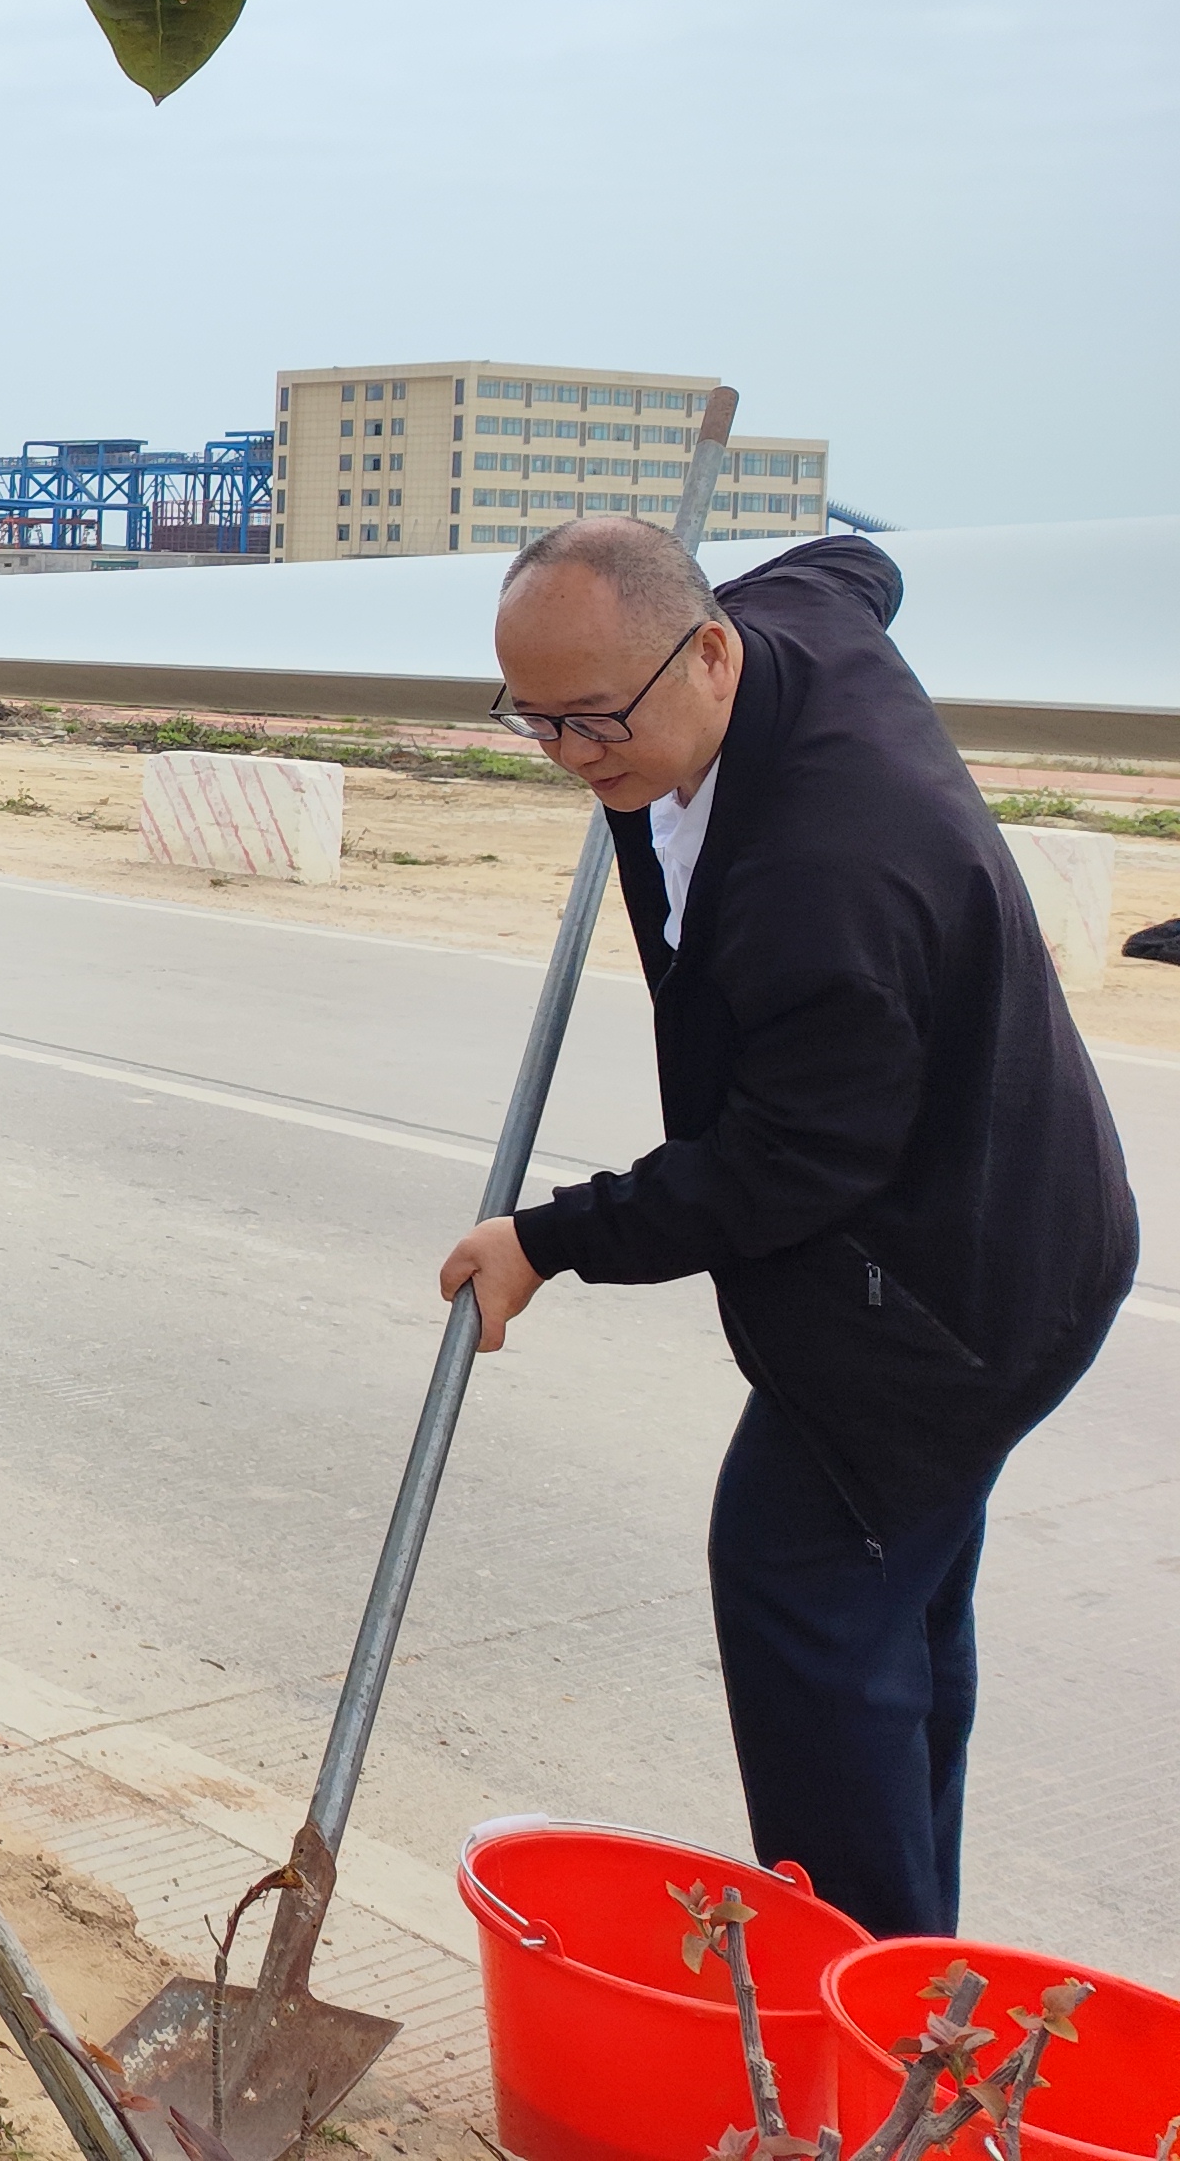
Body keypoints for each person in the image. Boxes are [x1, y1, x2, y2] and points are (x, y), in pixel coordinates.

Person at [440, 521, 1134, 1939]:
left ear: (708, 655)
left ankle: (868, 2024)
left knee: (808, 1596)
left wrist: (549, 1239)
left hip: (944, 1305)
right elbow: (853, 562)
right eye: (537, 720)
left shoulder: (824, 881)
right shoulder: (786, 619)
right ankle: (917, 1988)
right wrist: (633, 676)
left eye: (599, 721)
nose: (575, 756)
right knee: (898, 1622)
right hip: (1010, 1223)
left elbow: (773, 1171)